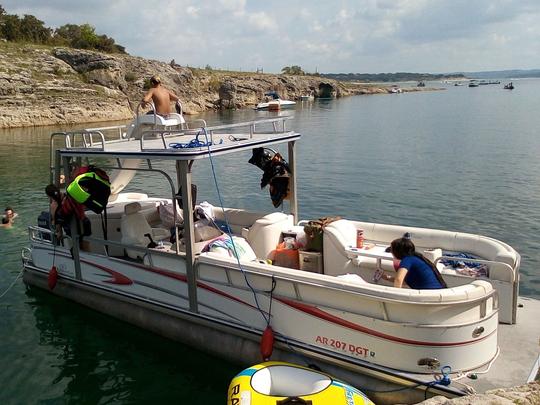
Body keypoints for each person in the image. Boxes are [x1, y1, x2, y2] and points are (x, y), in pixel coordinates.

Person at [383, 233, 447, 289]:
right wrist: (387, 278)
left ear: (398, 251)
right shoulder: (415, 258)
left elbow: (399, 280)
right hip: (437, 291)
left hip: (429, 294)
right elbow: (405, 282)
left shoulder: (407, 260)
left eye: (391, 249)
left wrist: (395, 296)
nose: (391, 251)